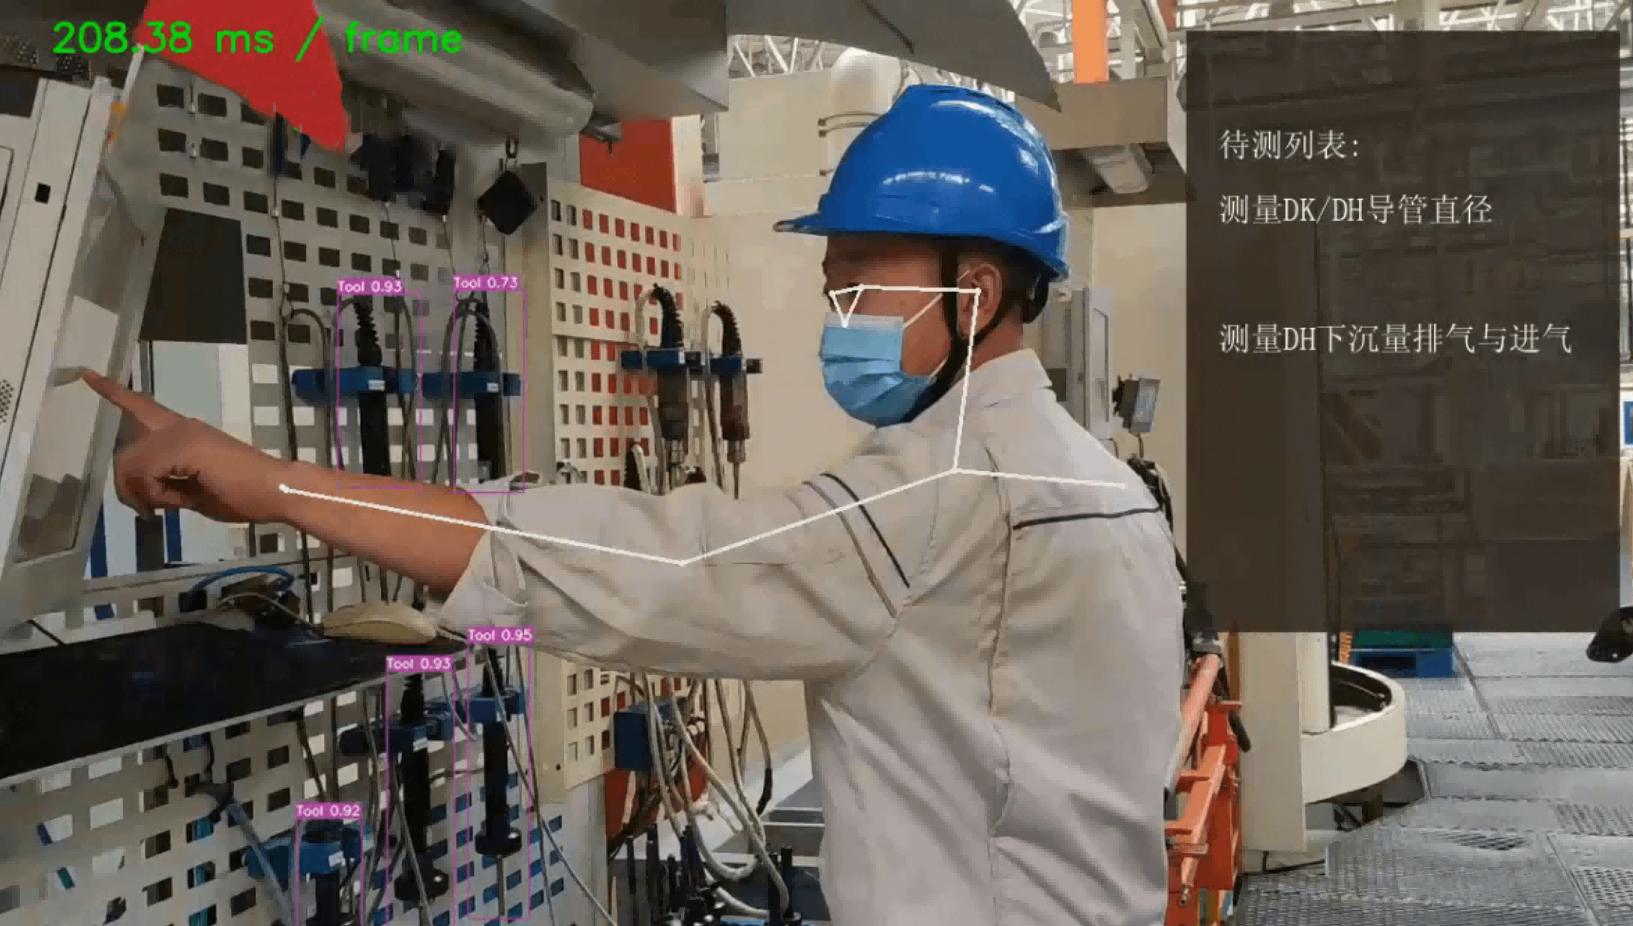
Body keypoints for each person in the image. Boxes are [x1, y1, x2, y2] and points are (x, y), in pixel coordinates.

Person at [86, 85, 1184, 926]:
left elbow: (661, 564)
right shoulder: (1105, 489)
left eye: (857, 279)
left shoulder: (944, 497)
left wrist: (276, 484)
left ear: (974, 290)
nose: (836, 312)